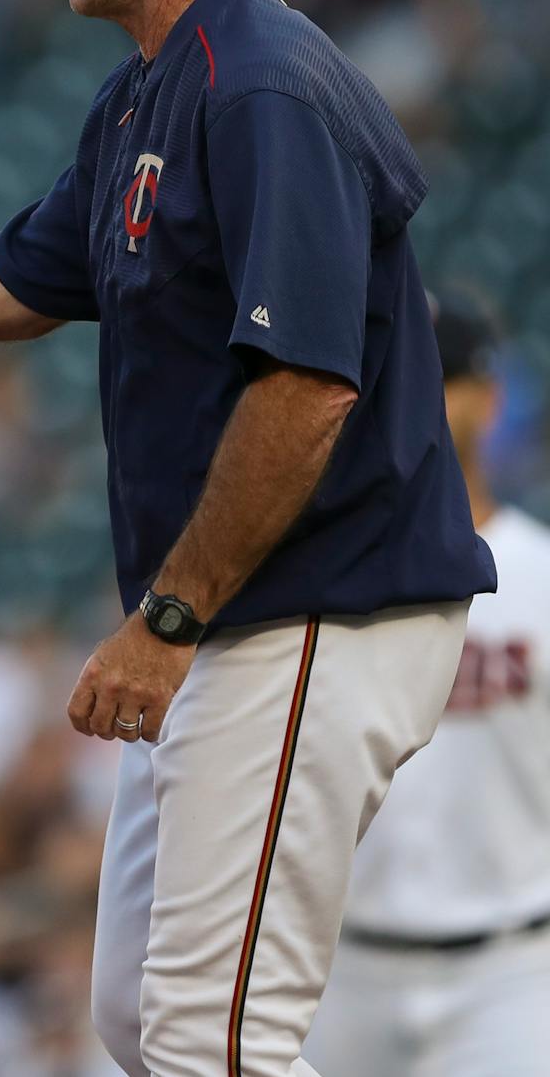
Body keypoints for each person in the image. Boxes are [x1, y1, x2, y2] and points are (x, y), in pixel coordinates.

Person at [0, 0, 496, 1077]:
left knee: (214, 1035)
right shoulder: (160, 78)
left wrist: (172, 614)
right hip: (251, 610)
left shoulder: (260, 83)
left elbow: (309, 385)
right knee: (144, 1021)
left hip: (317, 599)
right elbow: (22, 273)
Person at [302, 292, 550, 1074]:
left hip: (513, 970)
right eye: (399, 379)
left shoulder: (540, 572)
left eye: (439, 378)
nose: (418, 402)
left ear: (492, 397)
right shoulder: (319, 576)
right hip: (340, 964)